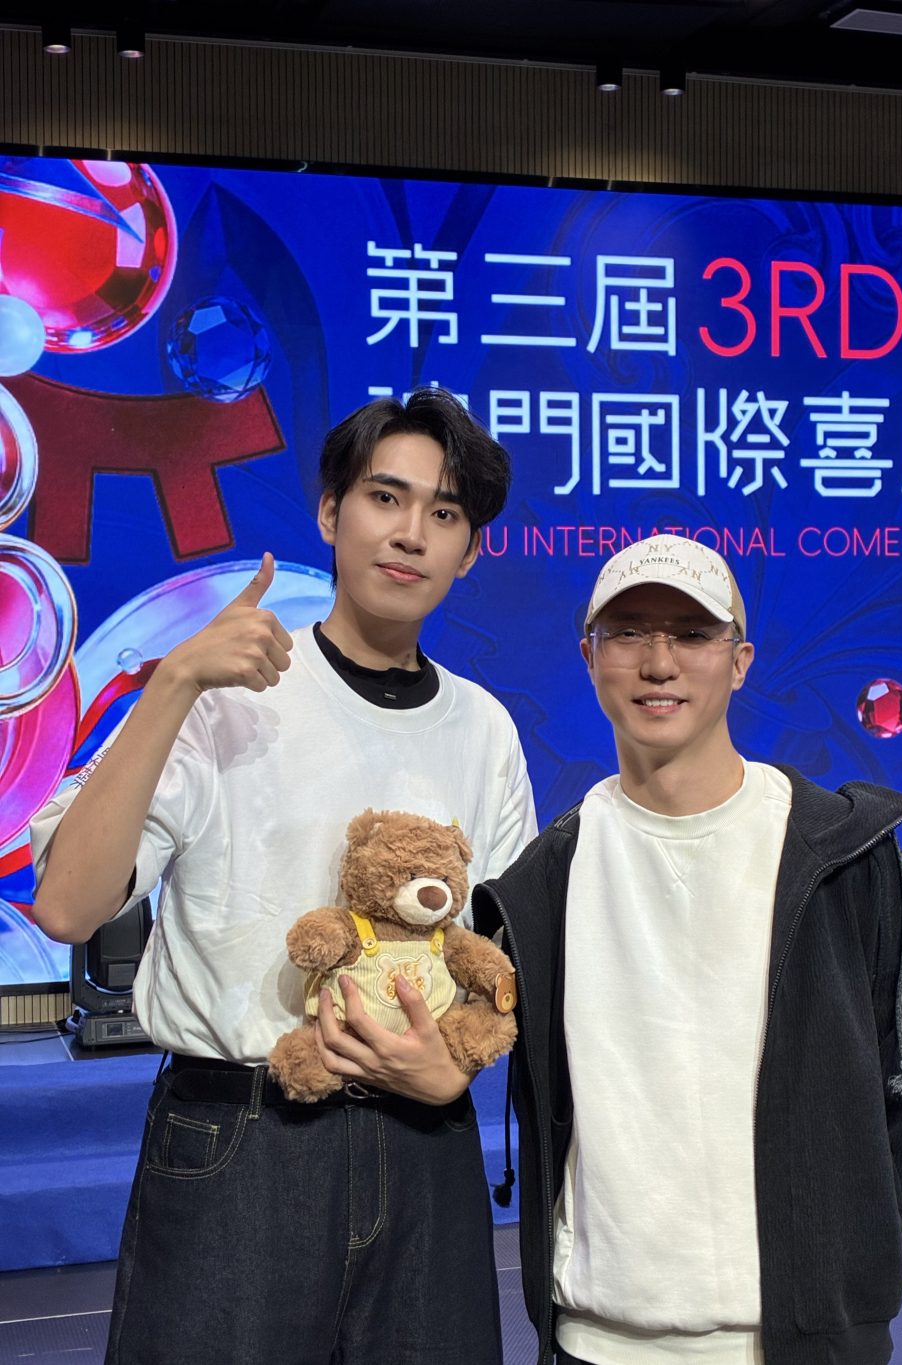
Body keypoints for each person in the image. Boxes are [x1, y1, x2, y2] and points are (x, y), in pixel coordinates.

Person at [31, 388, 536, 1365]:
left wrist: (459, 1068)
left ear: (471, 552)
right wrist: (174, 684)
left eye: (444, 513)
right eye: (385, 497)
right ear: (330, 513)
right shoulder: (224, 694)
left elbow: (495, 961)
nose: (411, 533)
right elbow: (65, 904)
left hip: (426, 1151)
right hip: (244, 1144)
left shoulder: (484, 729)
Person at [474, 533, 902, 1365]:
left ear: (740, 661)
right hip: (597, 1341)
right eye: (629, 632)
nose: (659, 662)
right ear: (591, 656)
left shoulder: (848, 855)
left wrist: (836, 1239)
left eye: (692, 633)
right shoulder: (544, 880)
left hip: (799, 1342)